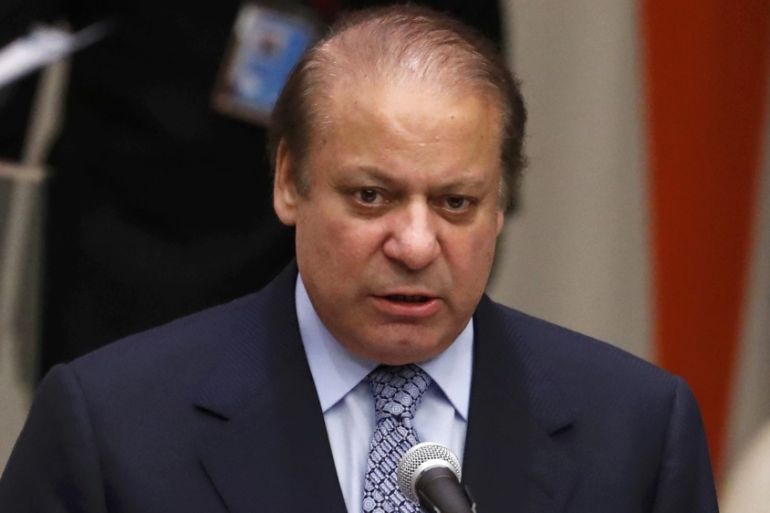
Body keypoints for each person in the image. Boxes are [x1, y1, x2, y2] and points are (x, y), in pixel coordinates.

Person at [0, 5, 718, 513]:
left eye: (456, 203)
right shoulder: (110, 431)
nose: (414, 244)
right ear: (289, 181)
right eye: (372, 196)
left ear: (501, 203)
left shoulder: (639, 434)